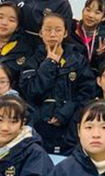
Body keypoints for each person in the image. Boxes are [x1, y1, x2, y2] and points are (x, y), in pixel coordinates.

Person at [20, 13, 97, 154]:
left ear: (65, 33)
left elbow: (87, 94)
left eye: (58, 30)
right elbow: (31, 92)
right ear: (40, 33)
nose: (52, 34)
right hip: (38, 127)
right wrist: (49, 63)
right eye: (48, 29)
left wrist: (66, 112)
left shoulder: (78, 60)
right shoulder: (31, 61)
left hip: (70, 128)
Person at [70, 0, 105, 64]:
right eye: (88, 10)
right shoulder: (70, 29)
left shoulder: (104, 37)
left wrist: (100, 56)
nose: (91, 15)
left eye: (97, 13)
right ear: (82, 11)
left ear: (104, 17)